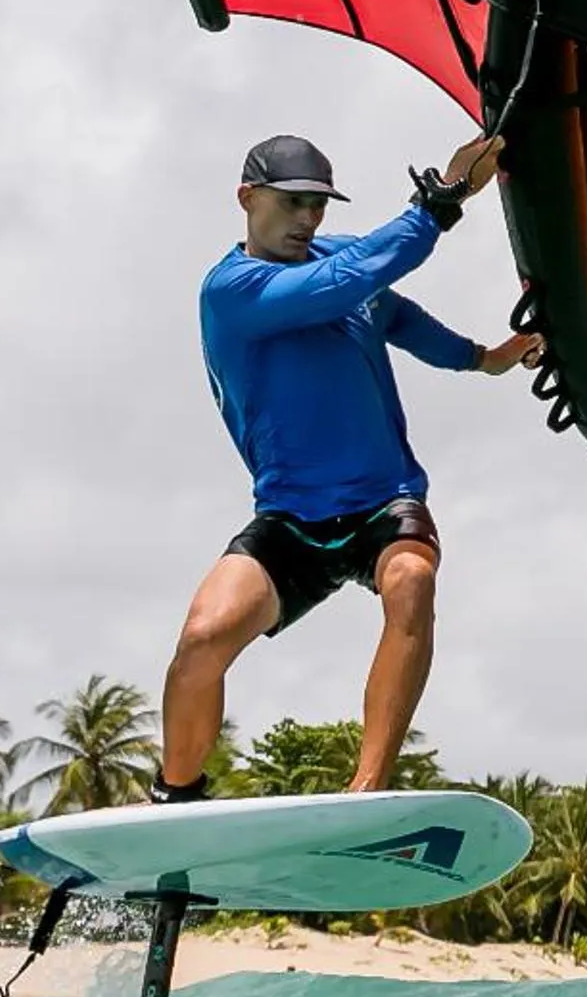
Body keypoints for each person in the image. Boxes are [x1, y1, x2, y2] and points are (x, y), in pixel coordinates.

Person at [149, 131, 540, 804]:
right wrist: (440, 203)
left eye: (319, 207)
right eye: (294, 203)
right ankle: (176, 797)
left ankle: (365, 789)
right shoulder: (232, 290)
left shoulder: (335, 261)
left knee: (412, 583)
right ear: (248, 198)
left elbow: (398, 314)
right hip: (289, 516)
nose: (308, 219)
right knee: (202, 639)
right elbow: (350, 280)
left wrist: (486, 358)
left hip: (383, 502)